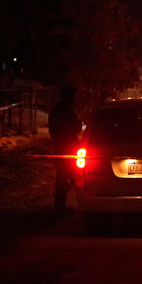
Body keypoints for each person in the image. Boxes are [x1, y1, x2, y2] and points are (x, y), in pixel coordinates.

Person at [49, 85, 82, 216]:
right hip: (66, 147)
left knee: (63, 176)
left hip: (61, 146)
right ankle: (60, 206)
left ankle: (60, 204)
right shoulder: (67, 111)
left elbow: (52, 130)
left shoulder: (57, 111)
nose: (75, 100)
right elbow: (76, 127)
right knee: (67, 176)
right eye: (74, 97)